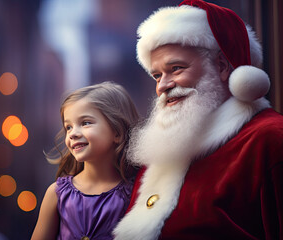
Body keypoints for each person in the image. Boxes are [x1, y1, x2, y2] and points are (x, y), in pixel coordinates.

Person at [114, 0, 283, 239]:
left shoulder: (270, 139)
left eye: (176, 68)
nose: (163, 86)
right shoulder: (165, 151)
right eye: (157, 75)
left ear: (222, 66)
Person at [31, 81, 139, 240]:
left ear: (117, 132)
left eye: (85, 123)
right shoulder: (56, 194)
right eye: (68, 127)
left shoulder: (136, 194)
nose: (73, 133)